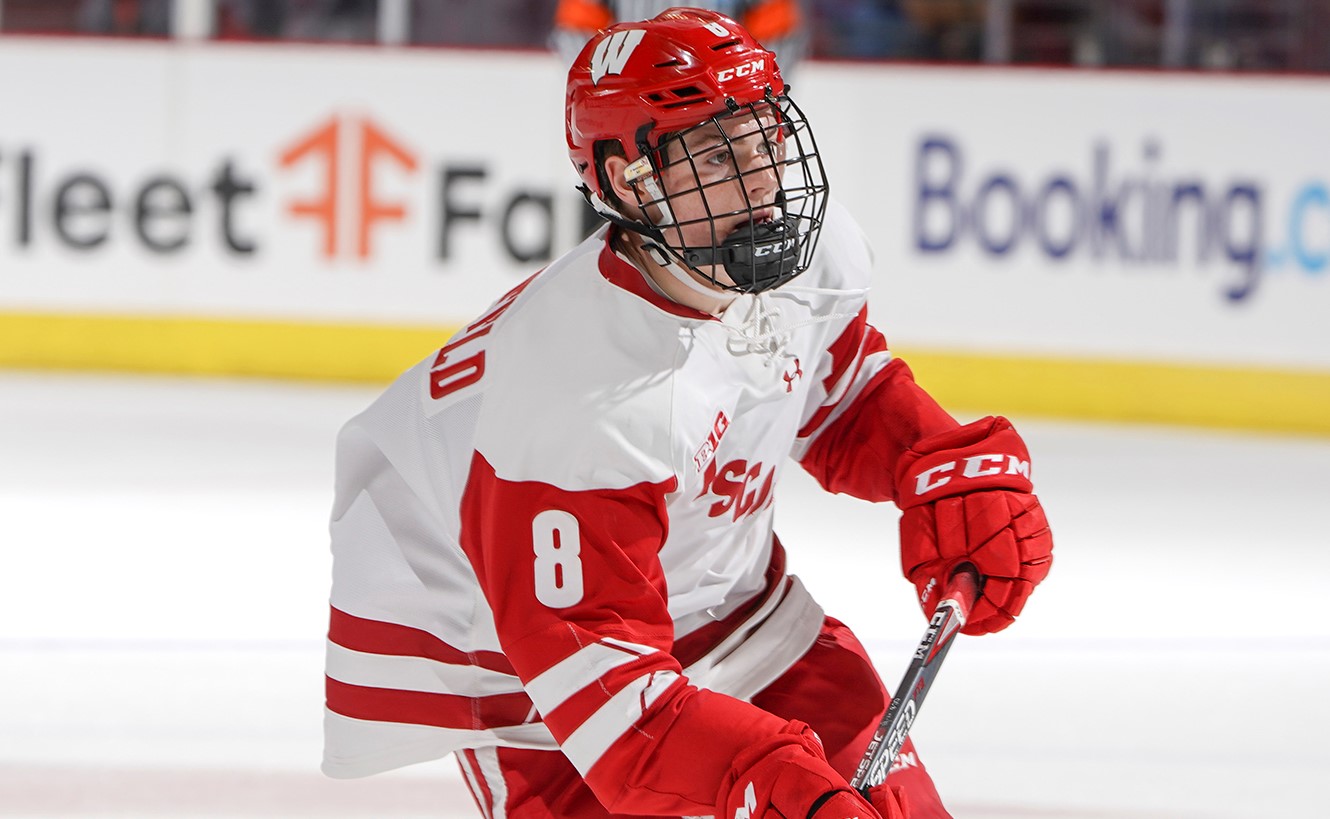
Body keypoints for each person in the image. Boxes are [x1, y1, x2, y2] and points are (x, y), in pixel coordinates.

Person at [322, 8, 1053, 819]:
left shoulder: (808, 252)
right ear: (629, 182)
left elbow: (831, 392)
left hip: (744, 622)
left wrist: (933, 462)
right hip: (545, 703)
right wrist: (757, 775)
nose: (764, 179)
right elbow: (611, 705)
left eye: (763, 133)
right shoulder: (574, 402)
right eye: (714, 153)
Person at [551, 0, 807, 72]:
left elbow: (777, 40)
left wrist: (741, 99)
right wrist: (615, 89)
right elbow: (577, 34)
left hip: (721, 100)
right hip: (634, 93)